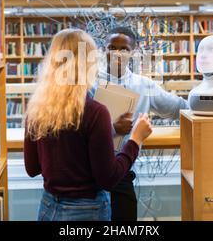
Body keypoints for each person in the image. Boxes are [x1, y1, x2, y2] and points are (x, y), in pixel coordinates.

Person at [23, 29, 153, 221]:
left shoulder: (36, 108)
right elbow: (108, 179)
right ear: (88, 64)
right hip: (87, 212)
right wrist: (135, 140)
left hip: (48, 208)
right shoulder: (95, 112)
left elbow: (32, 168)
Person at [97, 26, 189, 221]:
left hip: (123, 171)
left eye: (124, 49)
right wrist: (112, 128)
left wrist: (208, 102)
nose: (117, 54)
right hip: (92, 172)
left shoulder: (144, 85)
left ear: (134, 52)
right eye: (111, 48)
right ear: (103, 49)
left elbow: (179, 107)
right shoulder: (90, 84)